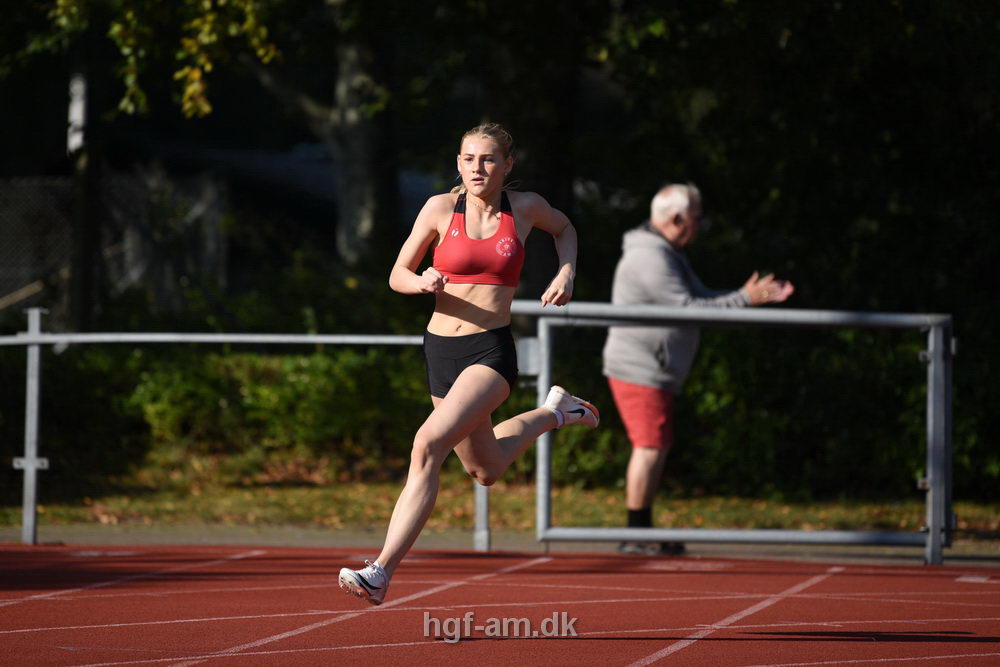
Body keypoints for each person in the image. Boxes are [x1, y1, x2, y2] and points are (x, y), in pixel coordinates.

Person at [339, 122, 599, 605]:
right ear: (458, 163)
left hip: (489, 354)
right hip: (440, 351)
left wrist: (567, 271)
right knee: (486, 469)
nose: (476, 168)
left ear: (507, 165)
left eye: (487, 159)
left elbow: (565, 228)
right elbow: (397, 273)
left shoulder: (525, 209)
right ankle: (556, 412)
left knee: (426, 444)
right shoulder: (439, 208)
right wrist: (422, 282)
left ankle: (380, 571)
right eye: (467, 159)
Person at [602, 183, 794, 555]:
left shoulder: (665, 251)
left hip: (652, 367)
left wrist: (747, 296)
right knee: (649, 447)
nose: (700, 224)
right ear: (676, 219)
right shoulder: (651, 257)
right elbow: (688, 308)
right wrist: (745, 299)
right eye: (697, 217)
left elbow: (699, 297)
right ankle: (635, 534)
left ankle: (640, 530)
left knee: (655, 446)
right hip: (640, 367)